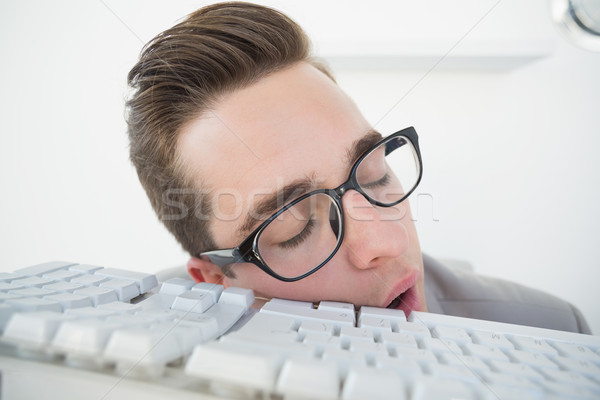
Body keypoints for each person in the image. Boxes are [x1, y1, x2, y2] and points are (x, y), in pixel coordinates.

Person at [126, 2, 591, 333]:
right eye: (293, 228)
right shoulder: (152, 348)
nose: (388, 242)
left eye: (375, 174)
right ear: (215, 280)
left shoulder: (555, 330)